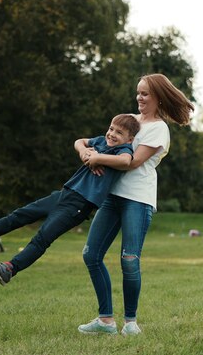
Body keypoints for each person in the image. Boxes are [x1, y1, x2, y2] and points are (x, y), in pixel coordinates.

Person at [0, 114, 140, 285]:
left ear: (130, 139)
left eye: (119, 132)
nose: (112, 134)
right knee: (21, 214)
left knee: (43, 237)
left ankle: (10, 269)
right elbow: (79, 141)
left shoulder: (123, 150)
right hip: (64, 194)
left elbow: (125, 162)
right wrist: (84, 152)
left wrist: (98, 158)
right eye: (111, 128)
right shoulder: (101, 141)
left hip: (79, 205)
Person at [77, 73, 194, 336]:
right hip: (112, 197)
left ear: (158, 97)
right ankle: (106, 320)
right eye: (138, 93)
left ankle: (130, 322)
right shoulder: (129, 121)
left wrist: (97, 159)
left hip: (138, 200)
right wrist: (85, 151)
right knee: (91, 254)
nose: (139, 98)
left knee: (129, 260)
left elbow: (132, 162)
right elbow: (100, 142)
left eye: (145, 94)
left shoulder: (159, 128)